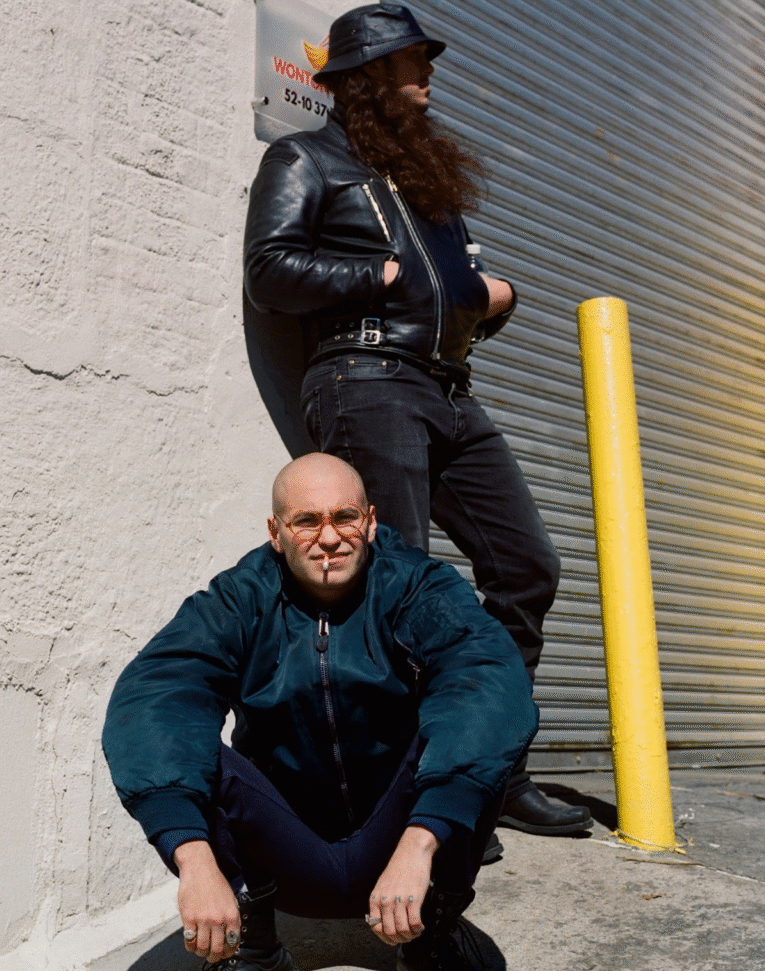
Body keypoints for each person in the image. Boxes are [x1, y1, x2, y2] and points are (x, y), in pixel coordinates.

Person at [243, 3, 591, 837]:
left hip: (447, 389)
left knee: (527, 567)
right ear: (367, 76)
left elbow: (449, 288)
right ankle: (410, 798)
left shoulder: (424, 181)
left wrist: (492, 298)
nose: (428, 71)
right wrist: (382, 275)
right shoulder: (306, 158)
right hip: (365, 381)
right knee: (398, 585)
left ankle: (492, 769)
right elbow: (271, 269)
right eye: (412, 58)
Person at [102, 453, 537, 971]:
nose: (329, 538)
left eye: (345, 517)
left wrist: (420, 841)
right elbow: (159, 694)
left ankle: (429, 948)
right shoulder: (240, 598)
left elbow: (484, 679)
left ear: (371, 522)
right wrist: (192, 854)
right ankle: (253, 956)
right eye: (306, 521)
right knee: (186, 753)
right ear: (276, 532)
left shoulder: (416, 585)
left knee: (476, 735)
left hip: (397, 844)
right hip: (289, 855)